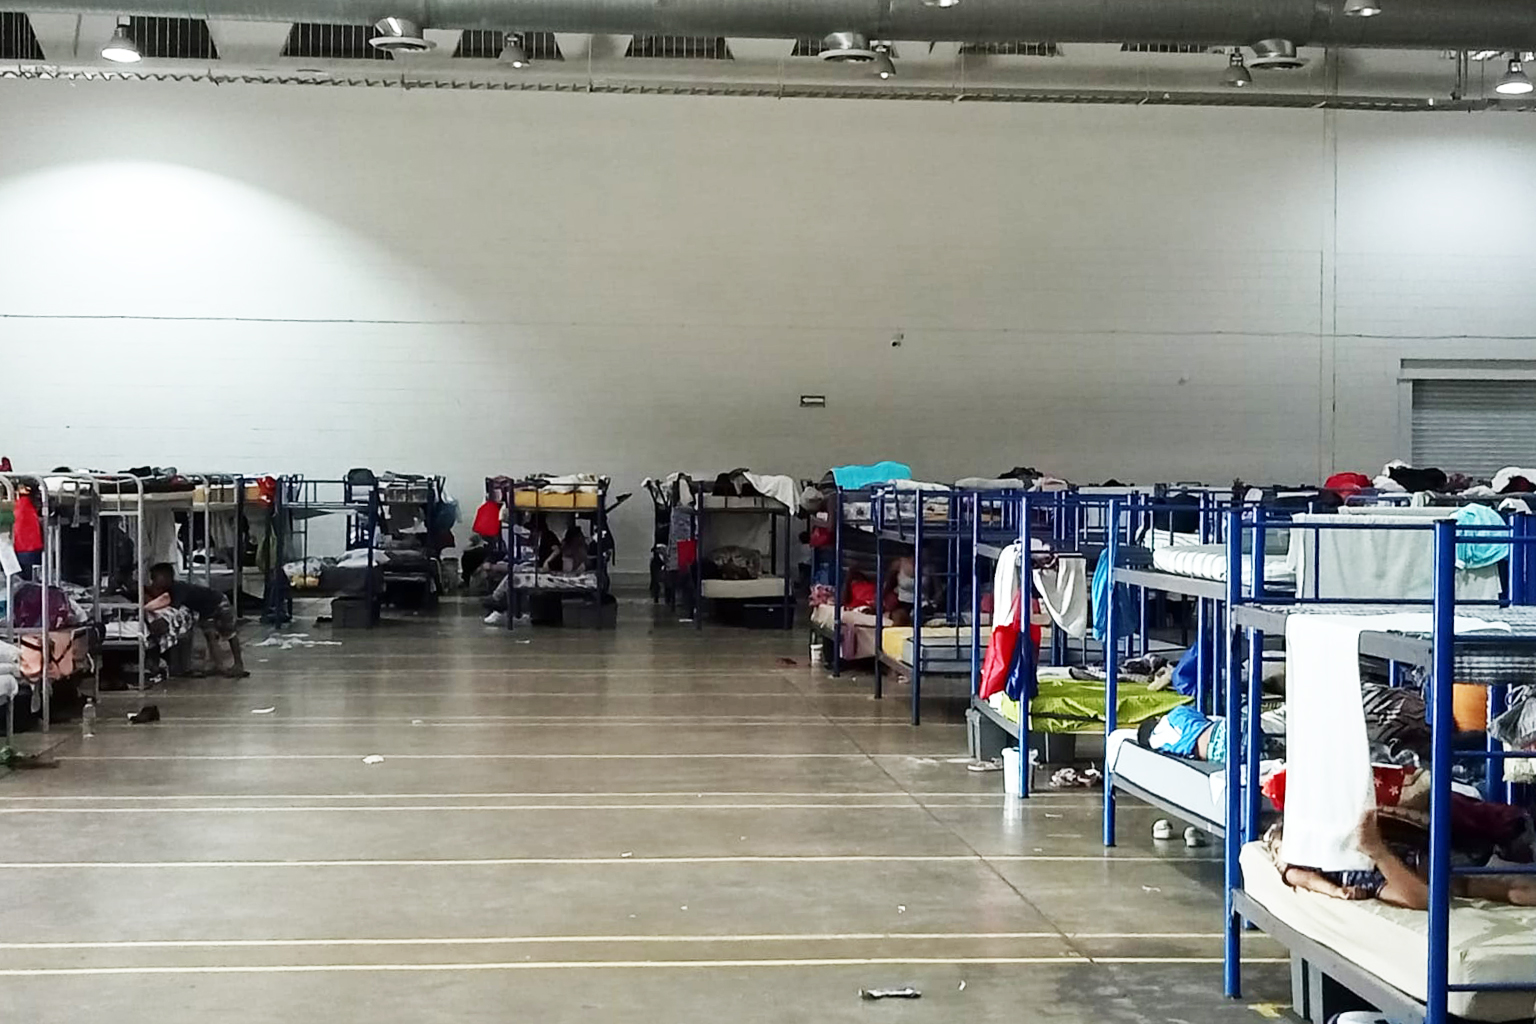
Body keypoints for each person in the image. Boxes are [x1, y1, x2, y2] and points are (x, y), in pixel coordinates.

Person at [1265, 810, 1536, 909]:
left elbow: (1307, 879)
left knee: (1423, 896)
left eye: (1277, 850)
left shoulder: (1296, 861)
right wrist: (1338, 891)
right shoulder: (1299, 860)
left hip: (1377, 871)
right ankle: (1379, 851)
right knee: (1484, 887)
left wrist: (1338, 892)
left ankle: (1377, 850)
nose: (1278, 857)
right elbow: (1307, 879)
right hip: (1391, 866)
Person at [146, 563, 248, 679]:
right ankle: (218, 665)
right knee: (210, 636)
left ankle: (239, 664)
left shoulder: (179, 588)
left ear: (168, 577)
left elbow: (173, 608)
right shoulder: (171, 590)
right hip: (205, 610)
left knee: (229, 633)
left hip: (218, 603)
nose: (153, 582)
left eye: (155, 578)